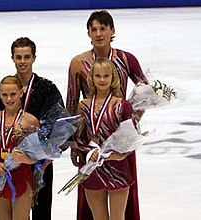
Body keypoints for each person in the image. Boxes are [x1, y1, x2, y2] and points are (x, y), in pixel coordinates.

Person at [66, 10, 147, 220]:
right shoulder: (78, 63)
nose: (99, 33)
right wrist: (75, 143)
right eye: (94, 29)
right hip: (91, 140)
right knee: (92, 196)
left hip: (119, 141)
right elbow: (72, 104)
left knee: (122, 195)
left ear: (112, 30)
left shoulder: (126, 59)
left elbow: (145, 93)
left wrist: (130, 125)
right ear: (88, 33)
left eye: (103, 28)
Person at [0, 37, 64, 220]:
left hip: (39, 162)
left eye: (26, 57)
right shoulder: (3, 88)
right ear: (13, 58)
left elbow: (58, 126)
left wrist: (40, 150)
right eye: (18, 57)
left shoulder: (47, 87)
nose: (22, 62)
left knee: (42, 210)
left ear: (34, 58)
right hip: (8, 163)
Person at [75, 58, 137, 220]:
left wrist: (118, 154)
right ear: (92, 78)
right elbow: (78, 138)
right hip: (93, 168)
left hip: (117, 168)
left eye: (106, 76)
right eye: (98, 76)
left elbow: (131, 138)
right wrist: (90, 153)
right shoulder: (84, 106)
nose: (102, 80)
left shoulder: (122, 105)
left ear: (113, 78)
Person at [0, 76, 39, 220]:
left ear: (21, 93)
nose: (9, 99)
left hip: (21, 176)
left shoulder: (30, 121)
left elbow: (39, 157)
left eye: (13, 94)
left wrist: (25, 158)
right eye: (4, 95)